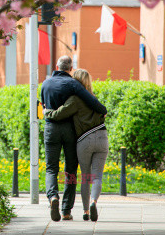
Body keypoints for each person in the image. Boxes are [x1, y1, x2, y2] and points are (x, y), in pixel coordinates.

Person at [41, 56, 107, 222]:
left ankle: (52, 197)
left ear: (56, 66)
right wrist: (102, 110)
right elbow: (91, 101)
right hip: (69, 130)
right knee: (70, 169)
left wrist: (47, 113)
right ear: (71, 69)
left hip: (51, 128)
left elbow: (43, 105)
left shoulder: (45, 84)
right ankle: (65, 211)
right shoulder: (73, 84)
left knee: (51, 168)